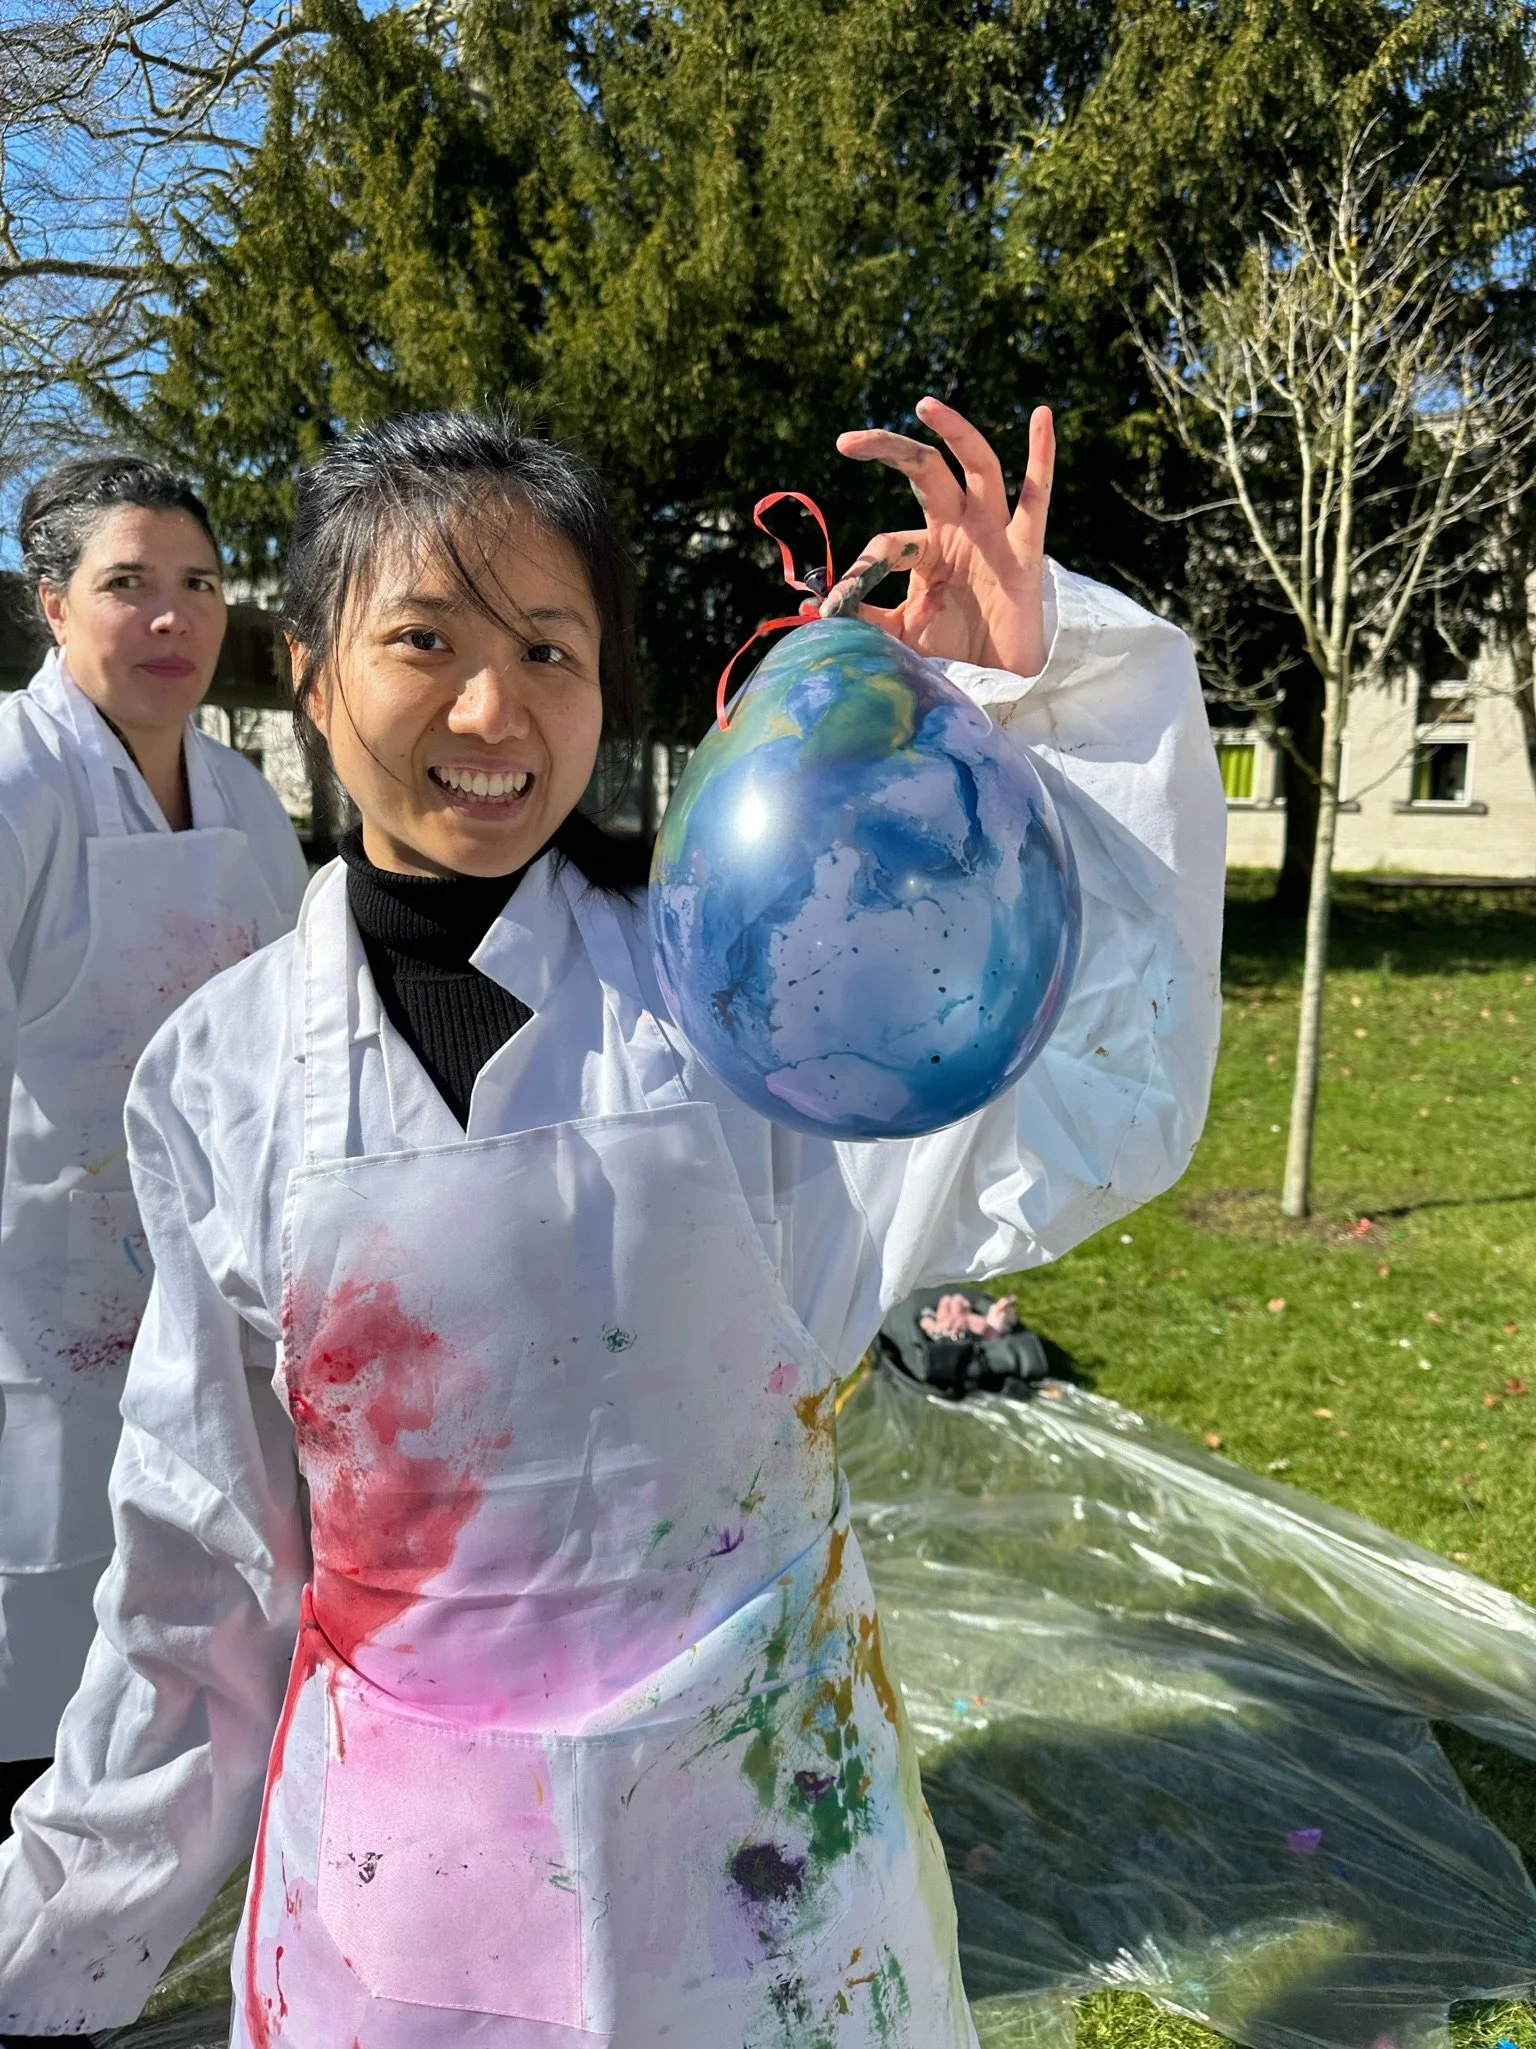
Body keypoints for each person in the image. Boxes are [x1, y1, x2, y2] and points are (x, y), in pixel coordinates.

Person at [0, 401, 1224, 2048]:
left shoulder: (745, 999)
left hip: (764, 1880)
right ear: (308, 668)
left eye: (551, 650)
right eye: (422, 639)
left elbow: (1093, 1096)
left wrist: (1040, 697)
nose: (490, 706)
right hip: (398, 1917)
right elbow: (203, 1571)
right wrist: (56, 1934)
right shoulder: (218, 1081)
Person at [0, 458, 308, 1834]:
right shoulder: (15, 783)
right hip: (29, 1289)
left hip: (202, 1273)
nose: (173, 618)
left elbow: (298, 1022)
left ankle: (159, 1877)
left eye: (198, 585)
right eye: (130, 585)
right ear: (52, 604)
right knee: (39, 1595)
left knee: (192, 1593)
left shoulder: (243, 801)